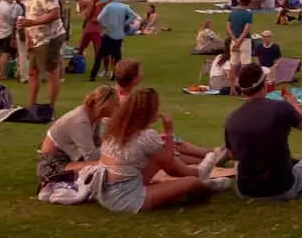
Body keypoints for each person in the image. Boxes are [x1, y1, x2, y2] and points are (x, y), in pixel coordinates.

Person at [93, 88, 228, 213]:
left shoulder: (114, 128)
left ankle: (198, 172)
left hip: (105, 191)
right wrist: (169, 132)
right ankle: (205, 183)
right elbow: (170, 166)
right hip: (126, 199)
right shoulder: (145, 136)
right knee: (191, 183)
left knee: (158, 155)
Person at [225, 63, 302, 201]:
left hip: (245, 190)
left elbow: (233, 155)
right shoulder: (281, 108)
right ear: (264, 84)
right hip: (281, 188)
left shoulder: (232, 118)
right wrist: (294, 104)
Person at [38, 85, 120, 189]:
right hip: (52, 166)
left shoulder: (94, 116)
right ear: (105, 104)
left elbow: (98, 145)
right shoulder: (80, 121)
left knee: (110, 164)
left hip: (67, 160)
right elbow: (92, 157)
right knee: (104, 166)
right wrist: (115, 149)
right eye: (116, 104)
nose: (119, 107)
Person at [16, 0, 65, 111]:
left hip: (49, 37)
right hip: (35, 38)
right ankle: (31, 106)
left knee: (51, 72)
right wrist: (27, 35)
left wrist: (33, 23)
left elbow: (55, 13)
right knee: (33, 72)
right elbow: (29, 15)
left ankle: (50, 107)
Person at [91, 0, 139, 81]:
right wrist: (125, 23)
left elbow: (99, 18)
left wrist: (106, 25)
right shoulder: (124, 7)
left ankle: (93, 75)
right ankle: (115, 75)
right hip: (119, 35)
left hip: (108, 34)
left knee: (100, 56)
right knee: (117, 57)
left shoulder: (109, 7)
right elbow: (133, 16)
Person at [0, 0, 23, 79]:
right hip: (7, 32)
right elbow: (13, 21)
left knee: (2, 53)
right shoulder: (9, 8)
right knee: (6, 53)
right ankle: (3, 73)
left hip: (0, 32)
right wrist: (13, 36)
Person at [226, 0, 253, 95]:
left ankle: (232, 88)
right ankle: (244, 89)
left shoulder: (232, 13)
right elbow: (246, 30)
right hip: (244, 41)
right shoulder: (248, 13)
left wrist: (235, 40)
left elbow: (228, 28)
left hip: (234, 41)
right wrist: (240, 41)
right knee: (245, 67)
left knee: (233, 66)